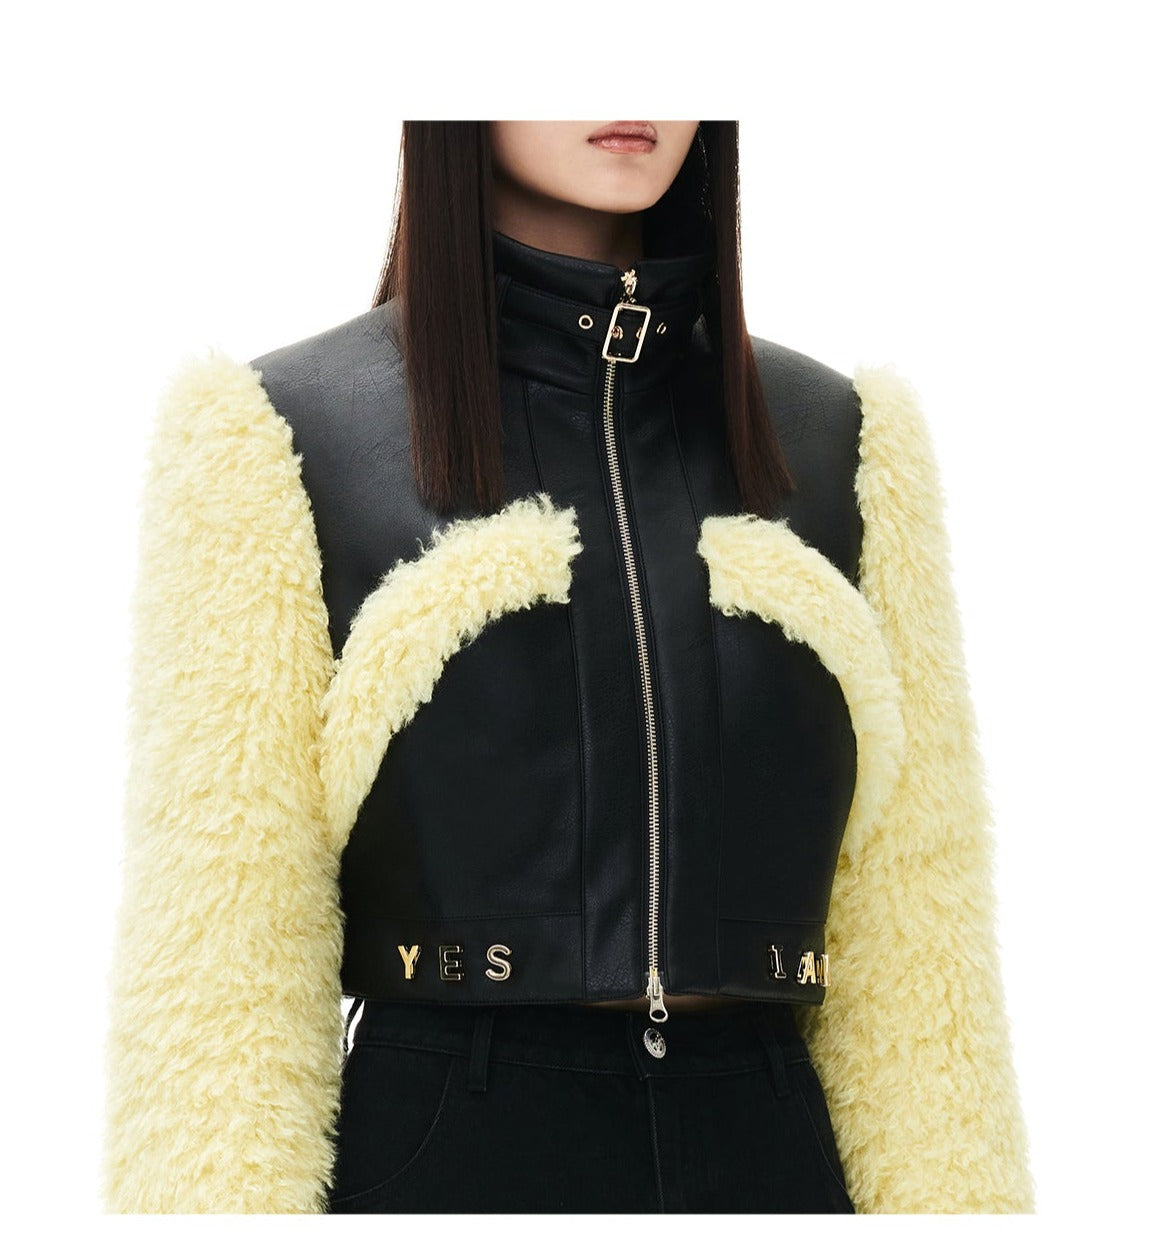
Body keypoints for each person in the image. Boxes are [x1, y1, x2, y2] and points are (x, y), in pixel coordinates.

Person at [101, 120, 1034, 1214]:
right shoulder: (279, 430)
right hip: (455, 1151)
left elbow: (919, 930)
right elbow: (219, 944)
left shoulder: (846, 440)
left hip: (772, 1148)